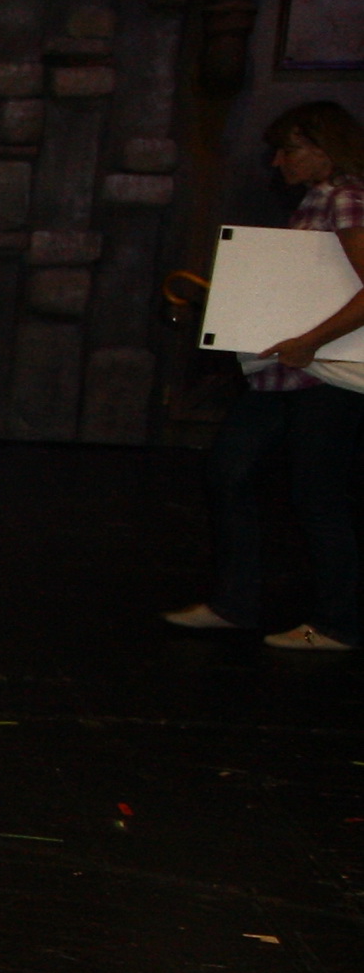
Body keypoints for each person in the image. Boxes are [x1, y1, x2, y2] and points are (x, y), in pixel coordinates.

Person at [165, 99, 364, 651]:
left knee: (315, 494)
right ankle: (235, 603)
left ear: (326, 148)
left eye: (290, 149)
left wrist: (310, 340)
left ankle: (339, 623)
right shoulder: (321, 200)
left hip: (323, 373)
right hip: (290, 372)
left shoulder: (345, 198)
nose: (280, 161)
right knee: (232, 471)